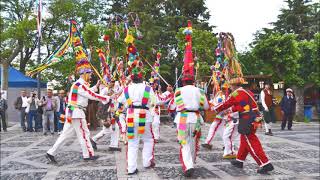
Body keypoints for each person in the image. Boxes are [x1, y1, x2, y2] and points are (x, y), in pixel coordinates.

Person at [45, 54, 111, 164]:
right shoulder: (80, 85)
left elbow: (86, 92)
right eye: (89, 74)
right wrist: (106, 98)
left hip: (72, 112)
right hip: (77, 112)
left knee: (66, 135)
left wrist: (96, 86)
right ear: (84, 73)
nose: (90, 76)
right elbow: (90, 94)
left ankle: (51, 152)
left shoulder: (78, 84)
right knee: (84, 134)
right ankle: (88, 154)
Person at [212, 78, 274, 174]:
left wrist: (215, 108)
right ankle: (239, 160)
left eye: (230, 86)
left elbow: (227, 103)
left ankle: (265, 163)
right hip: (253, 116)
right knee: (244, 140)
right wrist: (231, 110)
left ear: (234, 86)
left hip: (247, 119)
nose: (230, 88)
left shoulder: (236, 93)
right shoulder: (246, 91)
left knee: (251, 141)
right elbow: (242, 105)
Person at [117, 61, 156, 175]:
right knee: (148, 139)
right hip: (145, 116)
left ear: (132, 78)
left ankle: (131, 168)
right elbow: (154, 102)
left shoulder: (126, 89)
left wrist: (119, 114)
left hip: (131, 116)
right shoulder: (148, 88)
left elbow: (119, 103)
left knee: (132, 142)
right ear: (142, 77)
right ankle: (147, 162)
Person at [169, 74, 209, 177]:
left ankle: (189, 165)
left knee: (184, 142)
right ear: (193, 81)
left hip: (182, 119)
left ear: (183, 82)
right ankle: (191, 164)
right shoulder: (200, 91)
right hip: (195, 119)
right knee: (193, 141)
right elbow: (206, 106)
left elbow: (173, 106)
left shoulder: (178, 91)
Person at [202, 86, 238, 159]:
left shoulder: (232, 95)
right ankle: (227, 147)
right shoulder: (221, 95)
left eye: (225, 89)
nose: (224, 90)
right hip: (223, 115)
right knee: (222, 131)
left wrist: (215, 108)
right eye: (223, 89)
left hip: (227, 115)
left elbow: (225, 104)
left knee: (218, 129)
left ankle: (229, 148)